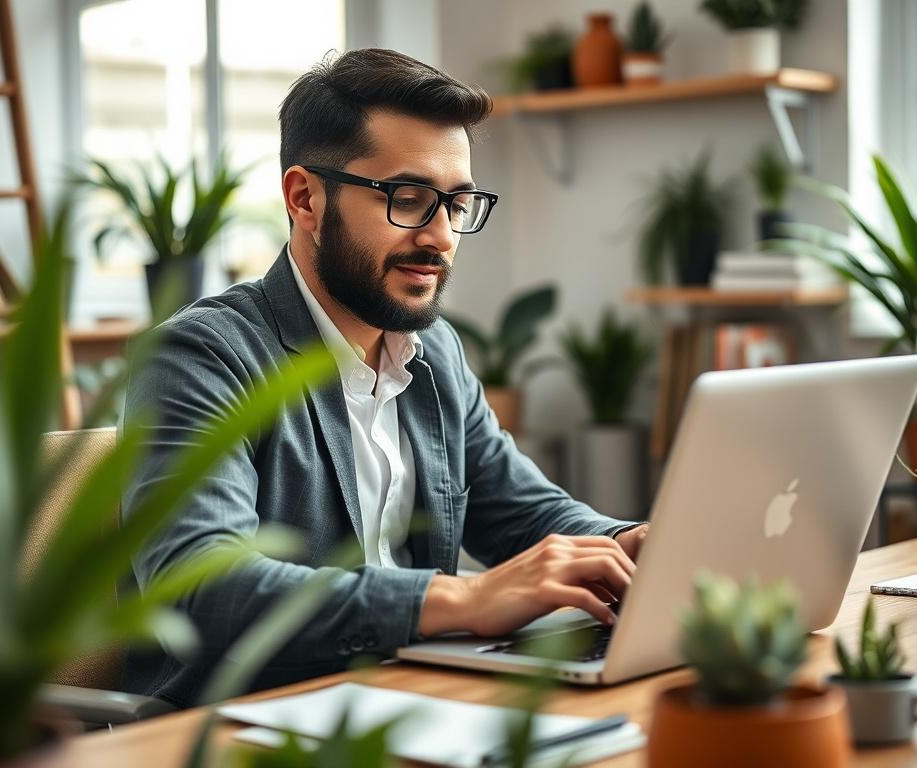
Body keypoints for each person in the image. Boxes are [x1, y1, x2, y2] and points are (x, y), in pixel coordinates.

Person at [122, 48, 648, 708]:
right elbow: (202, 585)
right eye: (409, 199)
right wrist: (463, 598)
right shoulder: (200, 356)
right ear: (305, 197)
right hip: (241, 725)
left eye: (457, 204)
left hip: (412, 697)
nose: (441, 236)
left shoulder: (435, 354)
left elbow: (522, 512)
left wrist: (624, 544)